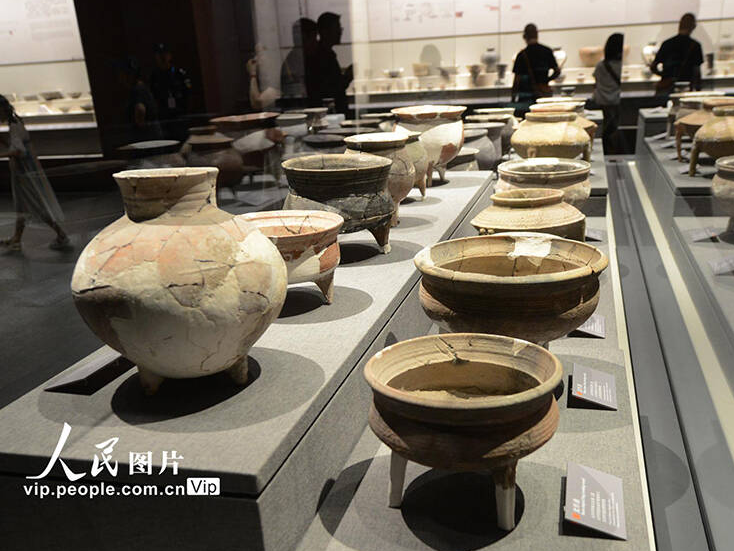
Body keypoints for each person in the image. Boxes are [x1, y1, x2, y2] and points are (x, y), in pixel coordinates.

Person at [0, 95, 69, 251]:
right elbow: (16, 145)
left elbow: (19, 151)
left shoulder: (14, 126)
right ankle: (16, 239)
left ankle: (61, 234)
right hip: (23, 170)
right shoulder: (16, 122)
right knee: (21, 206)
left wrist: (2, 154)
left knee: (35, 203)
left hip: (24, 172)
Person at [309, 12, 353, 114]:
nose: (340, 32)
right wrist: (348, 76)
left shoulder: (326, 53)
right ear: (325, 32)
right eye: (337, 28)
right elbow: (331, 89)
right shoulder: (321, 55)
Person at [650, 13, 704, 95]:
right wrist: (698, 90)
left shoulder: (667, 43)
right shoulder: (695, 45)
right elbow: (697, 71)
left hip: (667, 87)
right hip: (686, 87)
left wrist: (666, 76)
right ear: (693, 26)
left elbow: (653, 67)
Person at [116, 56, 162, 142]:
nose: (120, 78)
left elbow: (140, 110)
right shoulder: (141, 88)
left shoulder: (137, 90)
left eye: (122, 74)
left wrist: (138, 130)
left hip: (145, 139)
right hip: (151, 137)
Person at [511, 24, 560, 105]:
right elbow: (557, 71)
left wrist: (513, 99)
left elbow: (517, 80)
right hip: (543, 93)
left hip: (526, 96)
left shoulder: (522, 55)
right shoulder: (547, 51)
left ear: (524, 36)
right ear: (537, 34)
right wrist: (546, 80)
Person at [593, 34, 624, 154]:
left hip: (601, 101)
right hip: (616, 101)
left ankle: (603, 152)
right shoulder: (621, 66)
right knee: (613, 128)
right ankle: (613, 152)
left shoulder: (601, 66)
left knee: (603, 129)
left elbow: (596, 83)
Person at [150, 43, 192, 123]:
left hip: (180, 114)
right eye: (159, 54)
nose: (162, 57)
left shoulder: (179, 74)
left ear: (169, 55)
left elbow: (188, 93)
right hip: (163, 116)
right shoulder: (154, 76)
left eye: (165, 54)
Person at [280, 18, 318, 98]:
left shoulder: (303, 58)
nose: (316, 42)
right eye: (314, 37)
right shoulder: (294, 62)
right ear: (304, 37)